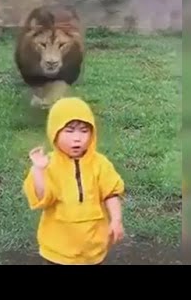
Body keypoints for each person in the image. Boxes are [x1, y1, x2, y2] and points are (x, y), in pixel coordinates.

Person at [22, 97, 125, 265]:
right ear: (55, 132)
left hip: (93, 248)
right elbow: (43, 198)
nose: (77, 138)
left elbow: (111, 193)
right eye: (69, 131)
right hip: (58, 251)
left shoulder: (100, 164)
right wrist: (39, 170)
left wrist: (116, 220)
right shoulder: (49, 165)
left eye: (84, 131)